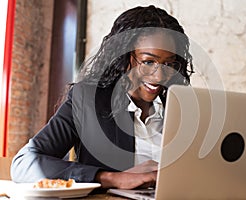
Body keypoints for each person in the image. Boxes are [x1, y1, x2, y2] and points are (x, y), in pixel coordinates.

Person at [11, 5, 194, 190]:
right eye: (148, 62)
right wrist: (113, 178)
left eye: (169, 64)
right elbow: (23, 164)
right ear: (123, 57)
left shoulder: (181, 108)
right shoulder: (87, 102)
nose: (159, 76)